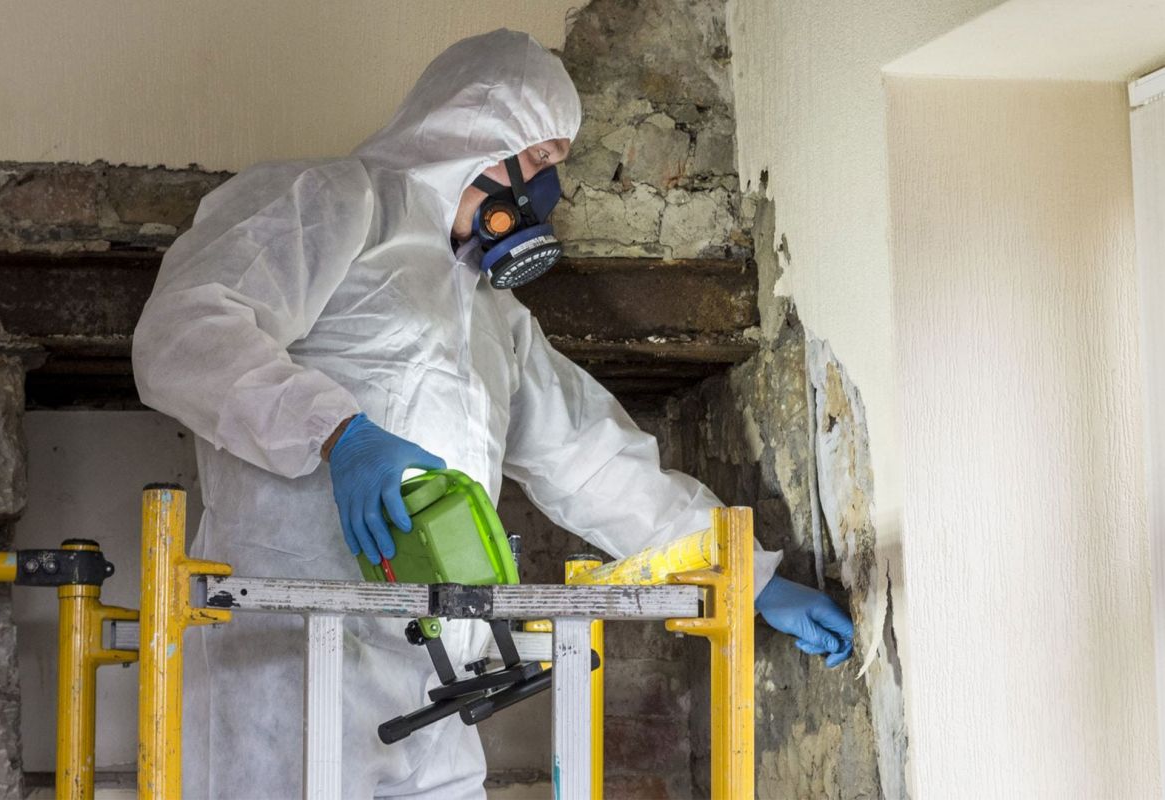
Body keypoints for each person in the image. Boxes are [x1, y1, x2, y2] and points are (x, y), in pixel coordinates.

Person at [133, 28, 853, 800]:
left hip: (439, 674)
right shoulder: (336, 202)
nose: (549, 191)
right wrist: (337, 432)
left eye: (557, 168)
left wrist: (750, 576)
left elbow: (592, 461)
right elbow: (184, 333)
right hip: (291, 663)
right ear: (474, 133)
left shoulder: (494, 318)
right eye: (541, 161)